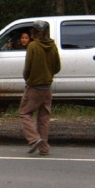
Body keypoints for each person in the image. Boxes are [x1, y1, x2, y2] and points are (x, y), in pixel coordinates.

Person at [19, 21, 61, 155]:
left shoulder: (33, 46)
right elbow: (57, 67)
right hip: (47, 88)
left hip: (34, 87)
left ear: (34, 32)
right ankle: (44, 147)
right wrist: (48, 75)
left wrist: (29, 79)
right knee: (43, 118)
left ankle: (33, 139)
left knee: (24, 113)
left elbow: (27, 68)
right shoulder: (53, 45)